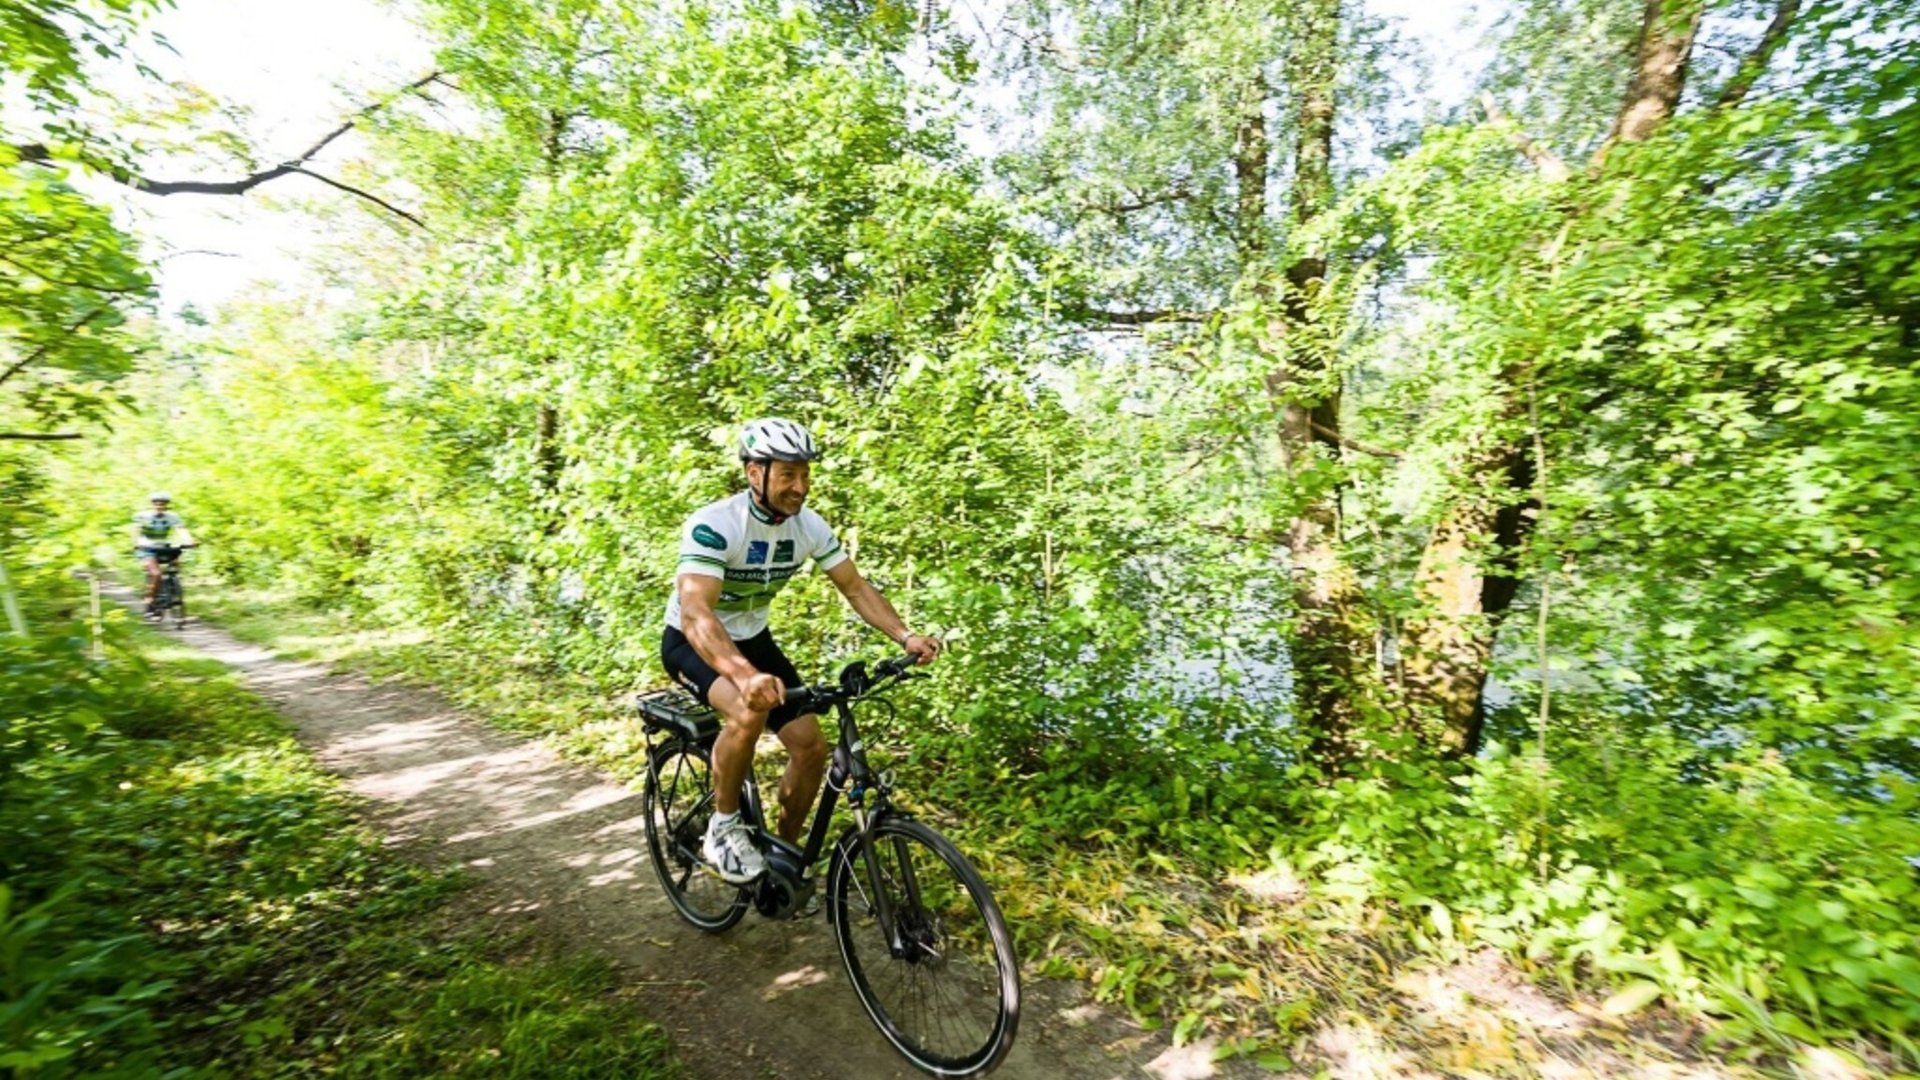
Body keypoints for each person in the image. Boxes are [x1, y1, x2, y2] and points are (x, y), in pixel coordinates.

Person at [662, 418, 940, 884]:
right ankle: (723, 827)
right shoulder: (715, 525)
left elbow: (854, 588)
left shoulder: (807, 527)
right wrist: (744, 676)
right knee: (747, 712)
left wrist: (904, 635)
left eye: (805, 474)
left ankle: (784, 863)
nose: (801, 486)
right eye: (788, 474)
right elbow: (695, 613)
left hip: (754, 640)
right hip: (694, 640)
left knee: (812, 748)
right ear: (755, 473)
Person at [132, 492, 195, 616]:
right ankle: (150, 601)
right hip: (146, 547)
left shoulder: (173, 516)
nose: (159, 506)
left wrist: (190, 541)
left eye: (162, 504)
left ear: (167, 505)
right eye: (156, 504)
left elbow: (181, 530)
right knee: (156, 574)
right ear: (152, 504)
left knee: (176, 563)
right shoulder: (143, 516)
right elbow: (136, 530)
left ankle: (172, 589)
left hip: (163, 546)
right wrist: (136, 543)